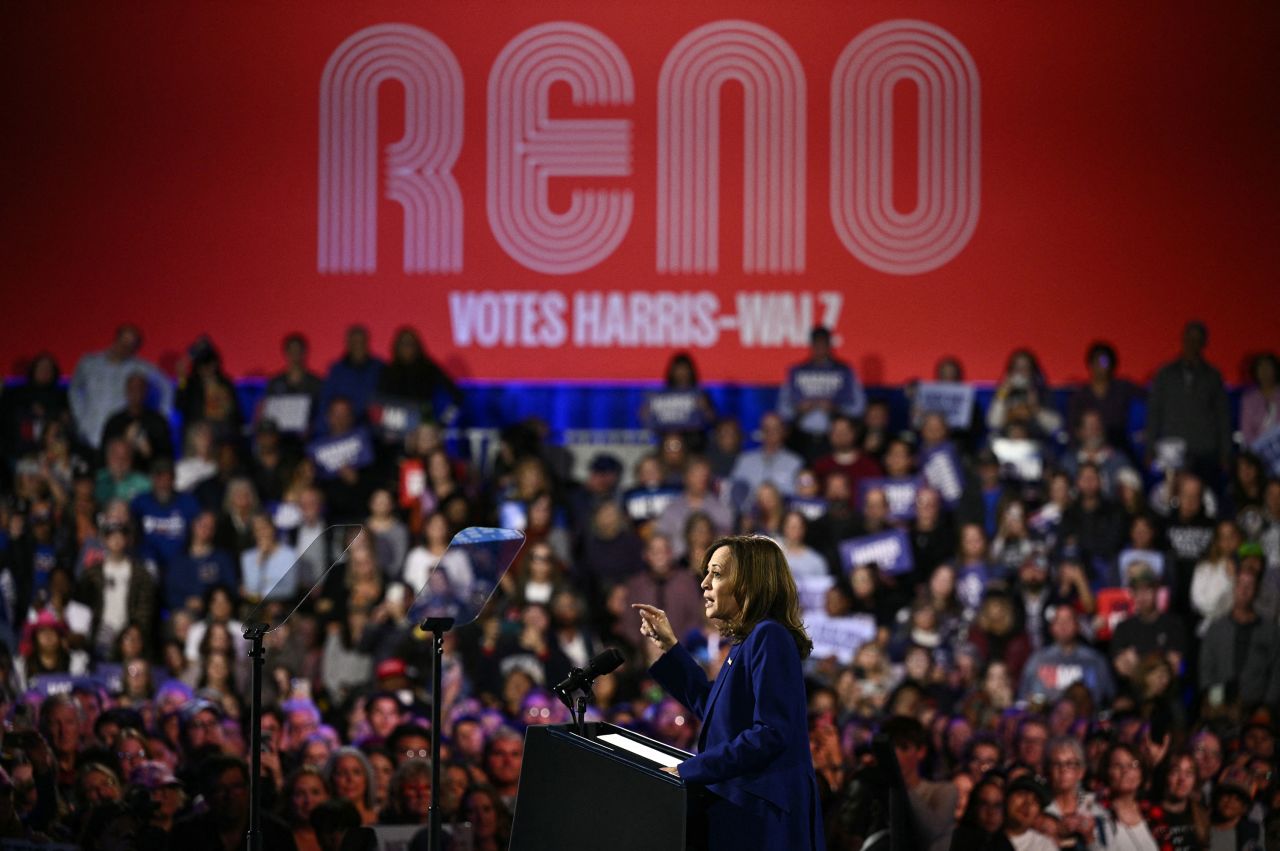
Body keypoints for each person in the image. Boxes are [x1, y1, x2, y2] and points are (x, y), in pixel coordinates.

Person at [634, 535, 825, 850]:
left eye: (717, 573)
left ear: (749, 583)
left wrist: (689, 769)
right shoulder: (749, 642)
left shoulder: (769, 636)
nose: (704, 584)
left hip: (763, 821)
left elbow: (770, 733)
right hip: (743, 812)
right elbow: (716, 709)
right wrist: (670, 647)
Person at [1145, 321, 1231, 479]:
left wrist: (1226, 452)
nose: (1193, 344)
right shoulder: (1165, 374)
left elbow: (1223, 416)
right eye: (1189, 339)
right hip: (1172, 449)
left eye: (1198, 340)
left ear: (1204, 343)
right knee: (1172, 498)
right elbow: (1154, 413)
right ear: (1183, 340)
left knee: (1206, 496)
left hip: (1205, 449)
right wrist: (1150, 449)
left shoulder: (1213, 376)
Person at [69, 324, 173, 451]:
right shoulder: (90, 362)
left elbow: (166, 387)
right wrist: (80, 418)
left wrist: (157, 421)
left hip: (120, 436)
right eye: (123, 341)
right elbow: (74, 390)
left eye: (131, 345)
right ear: (116, 339)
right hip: (89, 433)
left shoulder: (139, 367)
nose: (125, 347)